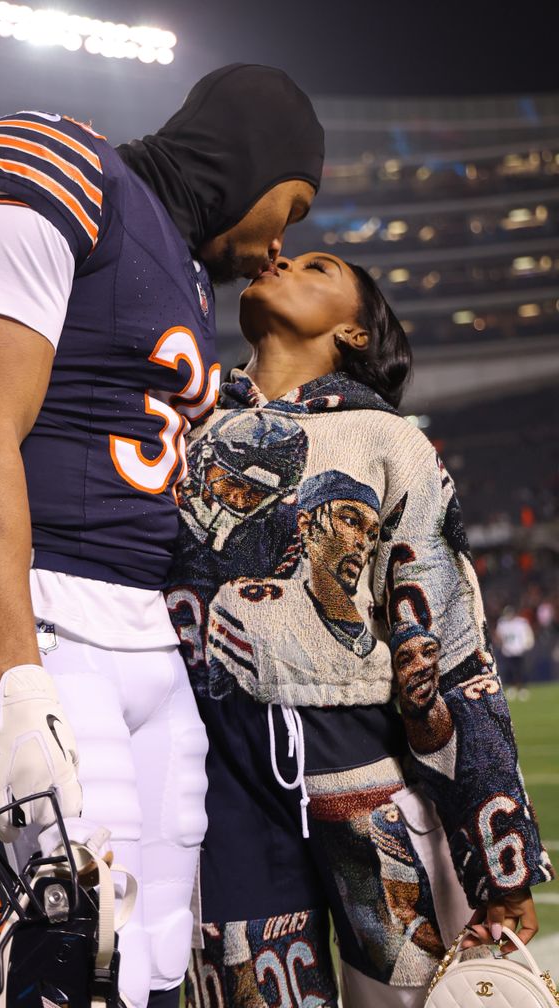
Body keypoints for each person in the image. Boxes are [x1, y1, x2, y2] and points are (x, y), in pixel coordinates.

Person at [0, 64, 324, 1008]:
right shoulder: (66, 161)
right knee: (62, 965)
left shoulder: (187, 271)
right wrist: (17, 683)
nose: (281, 243)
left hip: (140, 626)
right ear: (251, 157)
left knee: (153, 963)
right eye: (295, 205)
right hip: (35, 609)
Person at [165, 251, 553, 1007]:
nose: (278, 258)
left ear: (353, 332)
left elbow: (452, 655)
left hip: (361, 765)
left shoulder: (389, 441)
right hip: (217, 773)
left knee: (412, 997)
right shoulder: (179, 433)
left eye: (315, 266)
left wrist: (498, 864)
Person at [495, 605, 535, 699]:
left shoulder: (520, 622)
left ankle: (522, 688)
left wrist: (528, 643)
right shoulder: (502, 623)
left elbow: (527, 633)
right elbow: (498, 635)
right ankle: (512, 687)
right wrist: (500, 642)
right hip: (508, 651)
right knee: (510, 670)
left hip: (519, 650)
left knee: (520, 670)